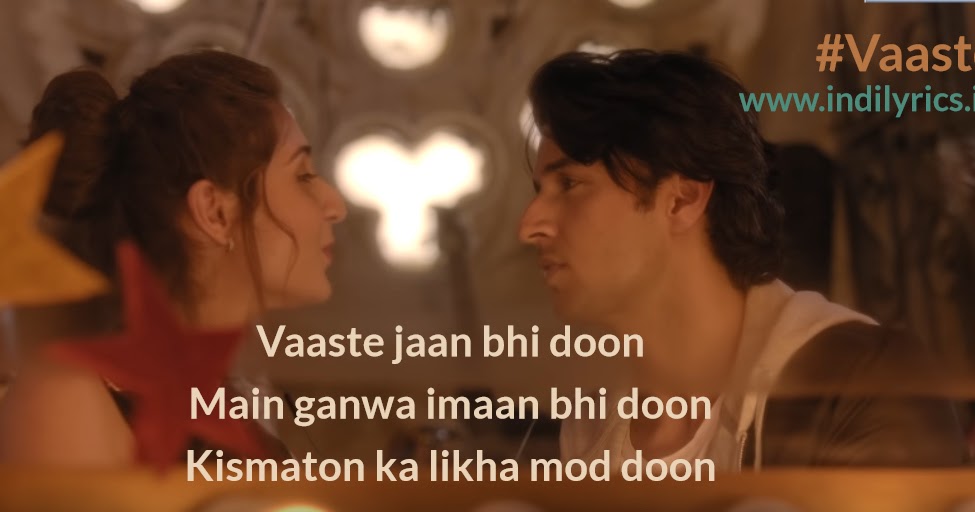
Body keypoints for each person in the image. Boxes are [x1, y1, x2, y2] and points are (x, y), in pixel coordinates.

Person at [518, 49, 970, 470]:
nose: (530, 226)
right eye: (540, 192)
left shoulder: (861, 385)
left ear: (681, 200)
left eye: (569, 185)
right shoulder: (585, 429)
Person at [0, 50, 347, 466]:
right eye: (303, 175)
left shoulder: (231, 406)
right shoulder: (68, 402)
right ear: (215, 212)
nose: (335, 205)